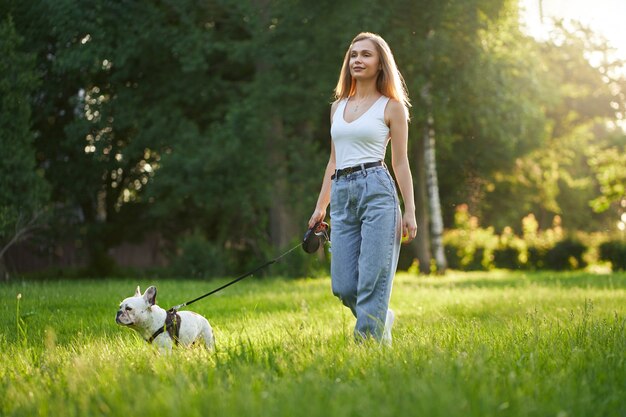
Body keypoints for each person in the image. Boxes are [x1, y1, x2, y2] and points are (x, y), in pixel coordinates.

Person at [308, 32, 417, 345]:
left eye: (366, 54)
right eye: (353, 54)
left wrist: (409, 209)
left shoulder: (392, 107)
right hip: (341, 192)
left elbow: (400, 163)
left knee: (372, 280)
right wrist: (320, 206)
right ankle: (381, 317)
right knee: (343, 286)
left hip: (377, 191)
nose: (357, 60)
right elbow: (332, 161)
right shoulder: (337, 107)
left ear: (380, 63)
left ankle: (367, 354)